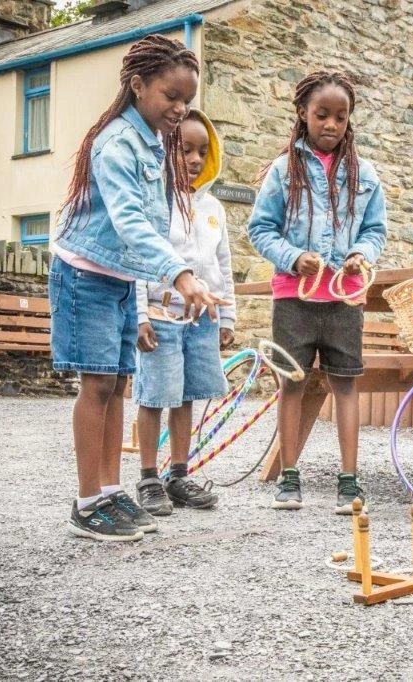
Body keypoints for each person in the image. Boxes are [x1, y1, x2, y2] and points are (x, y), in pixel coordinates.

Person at [49, 35, 224, 542]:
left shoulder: (153, 140)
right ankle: (86, 503)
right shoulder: (118, 143)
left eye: (187, 100)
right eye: (171, 96)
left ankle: (108, 490)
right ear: (137, 84)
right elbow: (130, 221)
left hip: (121, 277)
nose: (180, 108)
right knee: (97, 384)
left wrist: (167, 285)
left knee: (119, 382)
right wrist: (180, 275)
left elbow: (154, 226)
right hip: (85, 274)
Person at [247, 70, 387, 514]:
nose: (331, 124)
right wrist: (292, 257)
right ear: (303, 114)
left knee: (345, 386)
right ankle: (289, 478)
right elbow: (260, 228)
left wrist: (361, 254)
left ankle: (349, 481)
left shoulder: (365, 174)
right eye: (322, 114)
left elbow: (375, 229)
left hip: (344, 299)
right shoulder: (282, 169)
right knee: (293, 384)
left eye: (340, 117)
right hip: (296, 298)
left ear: (349, 121)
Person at [134, 109, 236, 515]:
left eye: (202, 151)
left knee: (187, 396)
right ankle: (148, 478)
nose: (194, 159)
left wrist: (227, 318)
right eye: (185, 149)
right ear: (165, 150)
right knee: (155, 395)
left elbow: (223, 263)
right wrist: (139, 315)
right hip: (161, 316)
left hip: (201, 320)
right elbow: (139, 259)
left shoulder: (213, 208)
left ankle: (178, 474)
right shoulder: (154, 203)